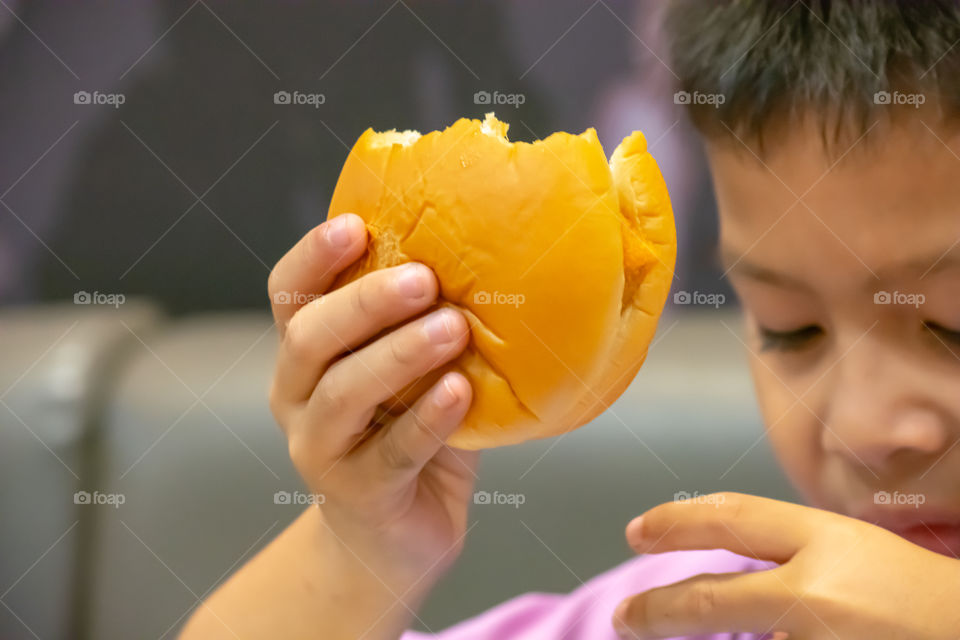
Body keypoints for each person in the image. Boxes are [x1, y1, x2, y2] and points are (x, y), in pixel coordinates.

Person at [180, 2, 960, 638]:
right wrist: (361, 548)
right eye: (792, 330)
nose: (864, 427)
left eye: (954, 326)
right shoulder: (717, 608)